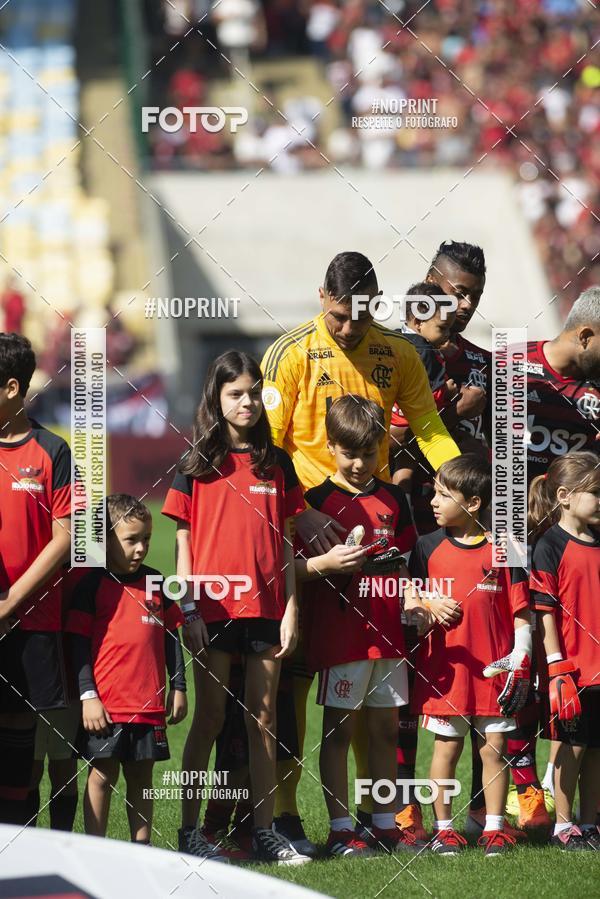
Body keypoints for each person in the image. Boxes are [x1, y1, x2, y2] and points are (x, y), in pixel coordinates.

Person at [260, 250, 461, 851]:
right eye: (342, 314)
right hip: (303, 524)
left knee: (369, 705)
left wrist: (467, 488)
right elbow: (266, 449)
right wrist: (304, 510)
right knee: (293, 682)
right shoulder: (290, 352)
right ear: (323, 297)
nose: (351, 327)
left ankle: (368, 825)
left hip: (369, 527)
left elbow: (426, 424)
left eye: (363, 315)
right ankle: (287, 816)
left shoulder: (397, 352)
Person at [162, 350, 310, 865]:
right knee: (210, 719)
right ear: (216, 398)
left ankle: (264, 832)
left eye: (252, 392)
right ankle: (188, 832)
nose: (246, 402)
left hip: (267, 610)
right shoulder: (194, 464)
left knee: (263, 721)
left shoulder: (278, 463)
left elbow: (287, 545)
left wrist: (290, 608)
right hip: (212, 611)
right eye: (234, 394)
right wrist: (189, 612)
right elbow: (183, 549)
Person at [296, 395, 433, 856]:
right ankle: (339, 830)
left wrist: (413, 597)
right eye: (350, 452)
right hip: (342, 638)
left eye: (369, 453)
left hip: (389, 635)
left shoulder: (392, 497)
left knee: (387, 732)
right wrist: (327, 564)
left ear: (382, 449)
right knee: (338, 732)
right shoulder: (314, 502)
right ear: (330, 446)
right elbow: (289, 569)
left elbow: (409, 561)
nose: (359, 463)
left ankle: (382, 825)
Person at [410, 454, 531, 856]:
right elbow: (406, 602)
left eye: (444, 494)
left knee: (493, 750)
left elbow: (521, 612)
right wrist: (427, 603)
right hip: (447, 673)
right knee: (447, 749)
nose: (433, 501)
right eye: (434, 492)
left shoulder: (504, 548)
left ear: (474, 503)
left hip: (494, 671)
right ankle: (444, 830)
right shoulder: (425, 546)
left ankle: (494, 828)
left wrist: (521, 660)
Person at [66, 495, 187, 843]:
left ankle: (142, 848)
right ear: (105, 540)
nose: (141, 548)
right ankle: (95, 846)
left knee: (141, 779)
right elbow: (78, 647)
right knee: (102, 775)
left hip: (148, 706)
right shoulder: (90, 585)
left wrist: (179, 687)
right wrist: (88, 696)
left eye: (146, 539)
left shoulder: (156, 582)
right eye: (131, 540)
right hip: (106, 707)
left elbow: (170, 637)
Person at [0, 333, 72, 826]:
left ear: (10, 388)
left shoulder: (53, 451)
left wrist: (7, 605)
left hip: (32, 621)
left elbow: (67, 540)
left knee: (20, 728)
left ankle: (19, 842)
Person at [528, 451, 600, 851]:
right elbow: (544, 612)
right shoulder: (549, 545)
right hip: (572, 670)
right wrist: (556, 665)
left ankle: (590, 824)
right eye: (596, 492)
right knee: (571, 748)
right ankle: (564, 824)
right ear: (565, 496)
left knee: (596, 750)